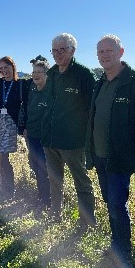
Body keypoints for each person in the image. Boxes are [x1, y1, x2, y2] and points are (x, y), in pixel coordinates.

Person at [85, 34, 135, 268]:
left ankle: (124, 254)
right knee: (110, 202)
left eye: (109, 50)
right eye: (100, 52)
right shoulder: (101, 82)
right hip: (100, 157)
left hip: (120, 159)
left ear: (121, 52)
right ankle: (116, 244)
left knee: (118, 205)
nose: (104, 55)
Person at [41, 33, 97, 226]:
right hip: (51, 139)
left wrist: (89, 139)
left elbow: (92, 109)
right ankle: (55, 214)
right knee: (55, 180)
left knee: (81, 183)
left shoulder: (84, 75)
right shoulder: (52, 74)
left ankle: (87, 223)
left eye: (62, 50)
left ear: (73, 51)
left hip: (73, 142)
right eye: (54, 50)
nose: (57, 54)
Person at [0, 56, 28, 199]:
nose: (4, 71)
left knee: (4, 156)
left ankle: (9, 189)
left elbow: (26, 105)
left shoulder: (21, 84)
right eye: (2, 68)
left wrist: (22, 126)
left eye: (7, 67)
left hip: (10, 123)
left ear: (13, 67)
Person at [25, 55, 50, 211]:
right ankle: (42, 196)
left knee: (44, 169)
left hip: (46, 138)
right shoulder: (32, 89)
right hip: (32, 135)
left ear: (46, 73)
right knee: (35, 166)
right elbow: (28, 111)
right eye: (34, 71)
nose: (35, 74)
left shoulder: (51, 91)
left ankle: (47, 201)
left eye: (39, 71)